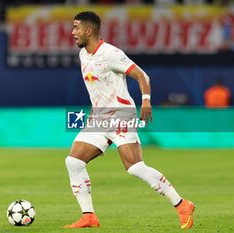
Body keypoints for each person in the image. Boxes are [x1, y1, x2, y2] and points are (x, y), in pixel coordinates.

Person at [64, 11, 194, 229]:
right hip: (99, 119)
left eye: (76, 27)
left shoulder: (110, 53)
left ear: (88, 30)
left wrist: (146, 101)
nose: (72, 32)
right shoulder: (84, 54)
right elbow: (99, 86)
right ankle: (88, 216)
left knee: (134, 167)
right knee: (74, 162)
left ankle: (182, 204)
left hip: (121, 116)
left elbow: (143, 76)